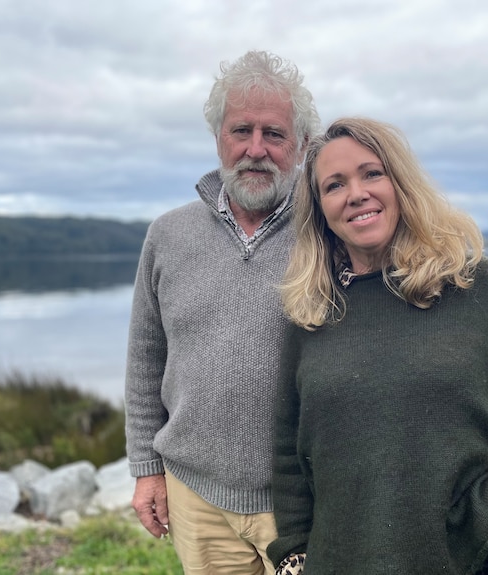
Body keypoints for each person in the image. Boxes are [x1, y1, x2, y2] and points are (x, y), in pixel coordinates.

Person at [267, 117, 488, 575]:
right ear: (321, 210)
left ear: (400, 183)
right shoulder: (311, 311)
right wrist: (295, 557)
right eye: (334, 184)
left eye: (372, 173)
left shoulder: (474, 285)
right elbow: (289, 452)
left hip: (471, 556)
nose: (357, 194)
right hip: (343, 561)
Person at [124, 50, 320, 575]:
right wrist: (147, 468)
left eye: (274, 134)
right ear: (218, 139)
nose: (256, 149)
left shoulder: (330, 232)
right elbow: (146, 358)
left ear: (301, 146)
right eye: (241, 131)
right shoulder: (167, 235)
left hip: (305, 502)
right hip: (196, 496)